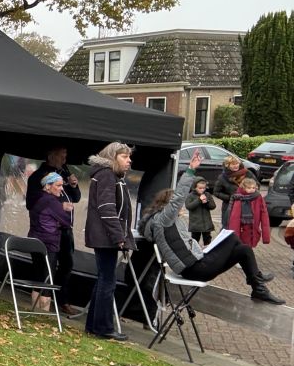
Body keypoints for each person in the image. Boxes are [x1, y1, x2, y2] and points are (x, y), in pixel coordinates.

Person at [141, 152, 282, 304]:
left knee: (244, 250)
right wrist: (190, 170)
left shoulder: (162, 222)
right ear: (168, 206)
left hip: (195, 266)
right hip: (196, 269)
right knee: (233, 237)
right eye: (177, 206)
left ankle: (258, 287)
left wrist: (198, 249)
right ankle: (258, 281)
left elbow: (184, 244)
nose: (181, 207)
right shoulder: (163, 220)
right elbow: (178, 199)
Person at [83, 142, 135, 341]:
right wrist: (118, 237)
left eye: (129, 157)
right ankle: (103, 328)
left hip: (105, 237)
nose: (129, 160)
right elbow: (107, 208)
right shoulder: (106, 175)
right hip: (105, 238)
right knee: (108, 281)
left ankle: (93, 325)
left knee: (104, 279)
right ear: (113, 158)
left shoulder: (111, 176)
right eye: (124, 157)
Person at [25, 146, 81, 314]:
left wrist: (74, 185)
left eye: (66, 156)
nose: (65, 160)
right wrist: (57, 206)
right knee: (45, 267)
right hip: (47, 231)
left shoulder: (64, 174)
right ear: (51, 156)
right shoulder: (38, 177)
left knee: (67, 264)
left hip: (64, 230)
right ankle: (43, 305)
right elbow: (31, 203)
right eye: (62, 156)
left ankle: (61, 299)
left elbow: (76, 198)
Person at [226, 176, 270, 248]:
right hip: (241, 228)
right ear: (243, 188)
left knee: (248, 247)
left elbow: (264, 215)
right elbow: (234, 218)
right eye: (249, 188)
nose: (252, 190)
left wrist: (266, 237)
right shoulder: (238, 198)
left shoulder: (258, 197)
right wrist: (233, 237)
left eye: (253, 188)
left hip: (253, 228)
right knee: (242, 247)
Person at [213, 155, 247, 228]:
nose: (236, 166)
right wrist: (230, 197)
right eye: (233, 164)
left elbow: (256, 185)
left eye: (237, 163)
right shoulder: (222, 177)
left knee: (244, 228)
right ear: (227, 165)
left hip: (246, 205)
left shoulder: (247, 173)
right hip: (229, 206)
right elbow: (216, 192)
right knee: (227, 227)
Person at [185, 177, 216, 245]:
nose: (202, 190)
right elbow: (189, 206)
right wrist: (199, 200)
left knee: (207, 239)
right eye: (200, 188)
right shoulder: (190, 196)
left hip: (206, 224)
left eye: (204, 188)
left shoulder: (207, 195)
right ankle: (194, 252)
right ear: (194, 187)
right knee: (195, 240)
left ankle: (207, 251)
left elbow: (213, 206)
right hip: (195, 224)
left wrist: (206, 202)